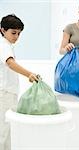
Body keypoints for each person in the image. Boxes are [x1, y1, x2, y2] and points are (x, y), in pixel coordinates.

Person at [0, 14, 39, 150]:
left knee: (7, 128)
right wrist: (29, 74)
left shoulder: (7, 45)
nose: (16, 37)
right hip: (5, 93)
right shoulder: (4, 45)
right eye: (13, 33)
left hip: (8, 92)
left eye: (19, 33)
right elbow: (10, 63)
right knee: (5, 129)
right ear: (3, 30)